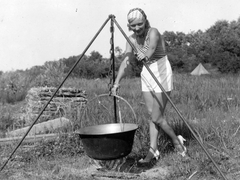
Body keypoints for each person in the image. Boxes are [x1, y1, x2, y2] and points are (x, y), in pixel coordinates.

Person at [111, 8, 187, 163]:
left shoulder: (153, 32)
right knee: (152, 114)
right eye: (134, 26)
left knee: (156, 117)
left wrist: (144, 55)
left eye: (140, 24)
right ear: (129, 26)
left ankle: (176, 141)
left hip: (161, 70)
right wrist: (117, 82)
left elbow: (151, 49)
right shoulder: (131, 40)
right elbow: (126, 62)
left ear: (145, 21)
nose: (137, 28)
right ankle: (153, 150)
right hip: (147, 72)